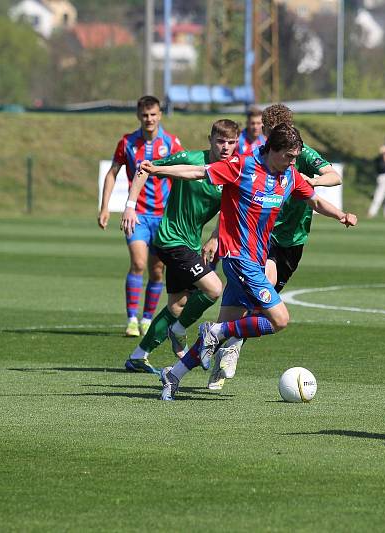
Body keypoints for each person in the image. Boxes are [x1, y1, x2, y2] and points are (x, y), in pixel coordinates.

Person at [139, 123, 357, 401]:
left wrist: (341, 215)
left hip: (255, 258)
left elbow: (314, 201)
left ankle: (174, 375)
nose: (293, 162)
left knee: (222, 332)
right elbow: (198, 172)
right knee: (279, 320)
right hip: (238, 258)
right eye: (289, 156)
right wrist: (157, 170)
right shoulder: (241, 166)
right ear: (273, 150)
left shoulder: (289, 175)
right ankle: (216, 330)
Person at [206, 102, 343, 390]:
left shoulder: (299, 154)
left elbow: (334, 177)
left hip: (290, 239)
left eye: (270, 133)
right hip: (260, 238)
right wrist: (219, 234)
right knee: (256, 293)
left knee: (250, 303)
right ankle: (224, 349)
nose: (266, 139)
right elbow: (236, 199)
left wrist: (312, 180)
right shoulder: (260, 154)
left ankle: (224, 341)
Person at [120, 119, 239, 373]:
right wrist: (130, 207)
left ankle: (138, 356)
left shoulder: (233, 173)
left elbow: (231, 209)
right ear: (210, 140)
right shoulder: (190, 159)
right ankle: (179, 330)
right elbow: (145, 168)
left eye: (231, 142)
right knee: (214, 288)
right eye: (220, 141)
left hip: (190, 243)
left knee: (177, 304)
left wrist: (215, 237)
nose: (226, 147)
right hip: (171, 239)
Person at [98, 96, 184, 337]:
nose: (149, 119)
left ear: (160, 115)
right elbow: (112, 174)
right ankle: (132, 319)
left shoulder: (171, 142)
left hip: (163, 217)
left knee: (157, 271)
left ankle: (147, 318)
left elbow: (184, 172)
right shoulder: (127, 142)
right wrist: (105, 207)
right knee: (137, 263)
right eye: (145, 115)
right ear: (138, 115)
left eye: (153, 114)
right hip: (137, 215)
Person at [367, 145, 385, 218]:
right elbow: (382, 168)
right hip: (382, 177)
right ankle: (372, 213)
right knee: (378, 196)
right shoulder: (378, 159)